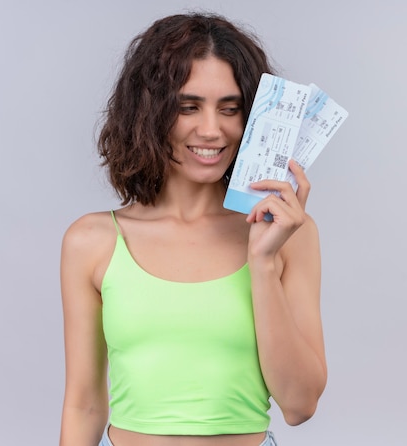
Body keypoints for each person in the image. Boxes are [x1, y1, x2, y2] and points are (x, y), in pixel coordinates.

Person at [59, 12, 326, 446]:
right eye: (188, 106)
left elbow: (299, 405)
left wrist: (261, 262)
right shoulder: (92, 241)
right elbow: (84, 404)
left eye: (230, 108)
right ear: (149, 112)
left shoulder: (289, 234)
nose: (211, 129)